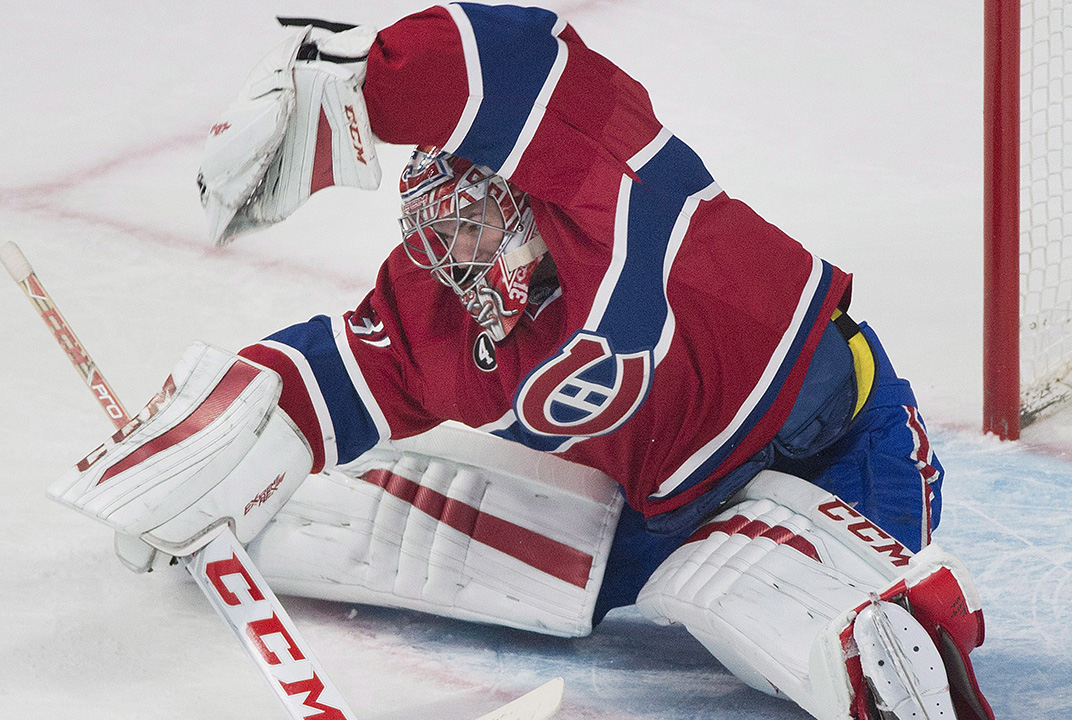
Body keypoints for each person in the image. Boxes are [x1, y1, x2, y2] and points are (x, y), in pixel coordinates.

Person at [48, 6, 994, 719]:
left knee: (775, 602)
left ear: (526, 199)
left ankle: (873, 636)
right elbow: (330, 375)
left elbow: (518, 60)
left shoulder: (607, 191)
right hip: (666, 508)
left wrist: (353, 85)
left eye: (469, 227)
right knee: (485, 541)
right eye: (436, 240)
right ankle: (231, 514)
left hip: (841, 444)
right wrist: (224, 443)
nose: (454, 261)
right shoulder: (439, 312)